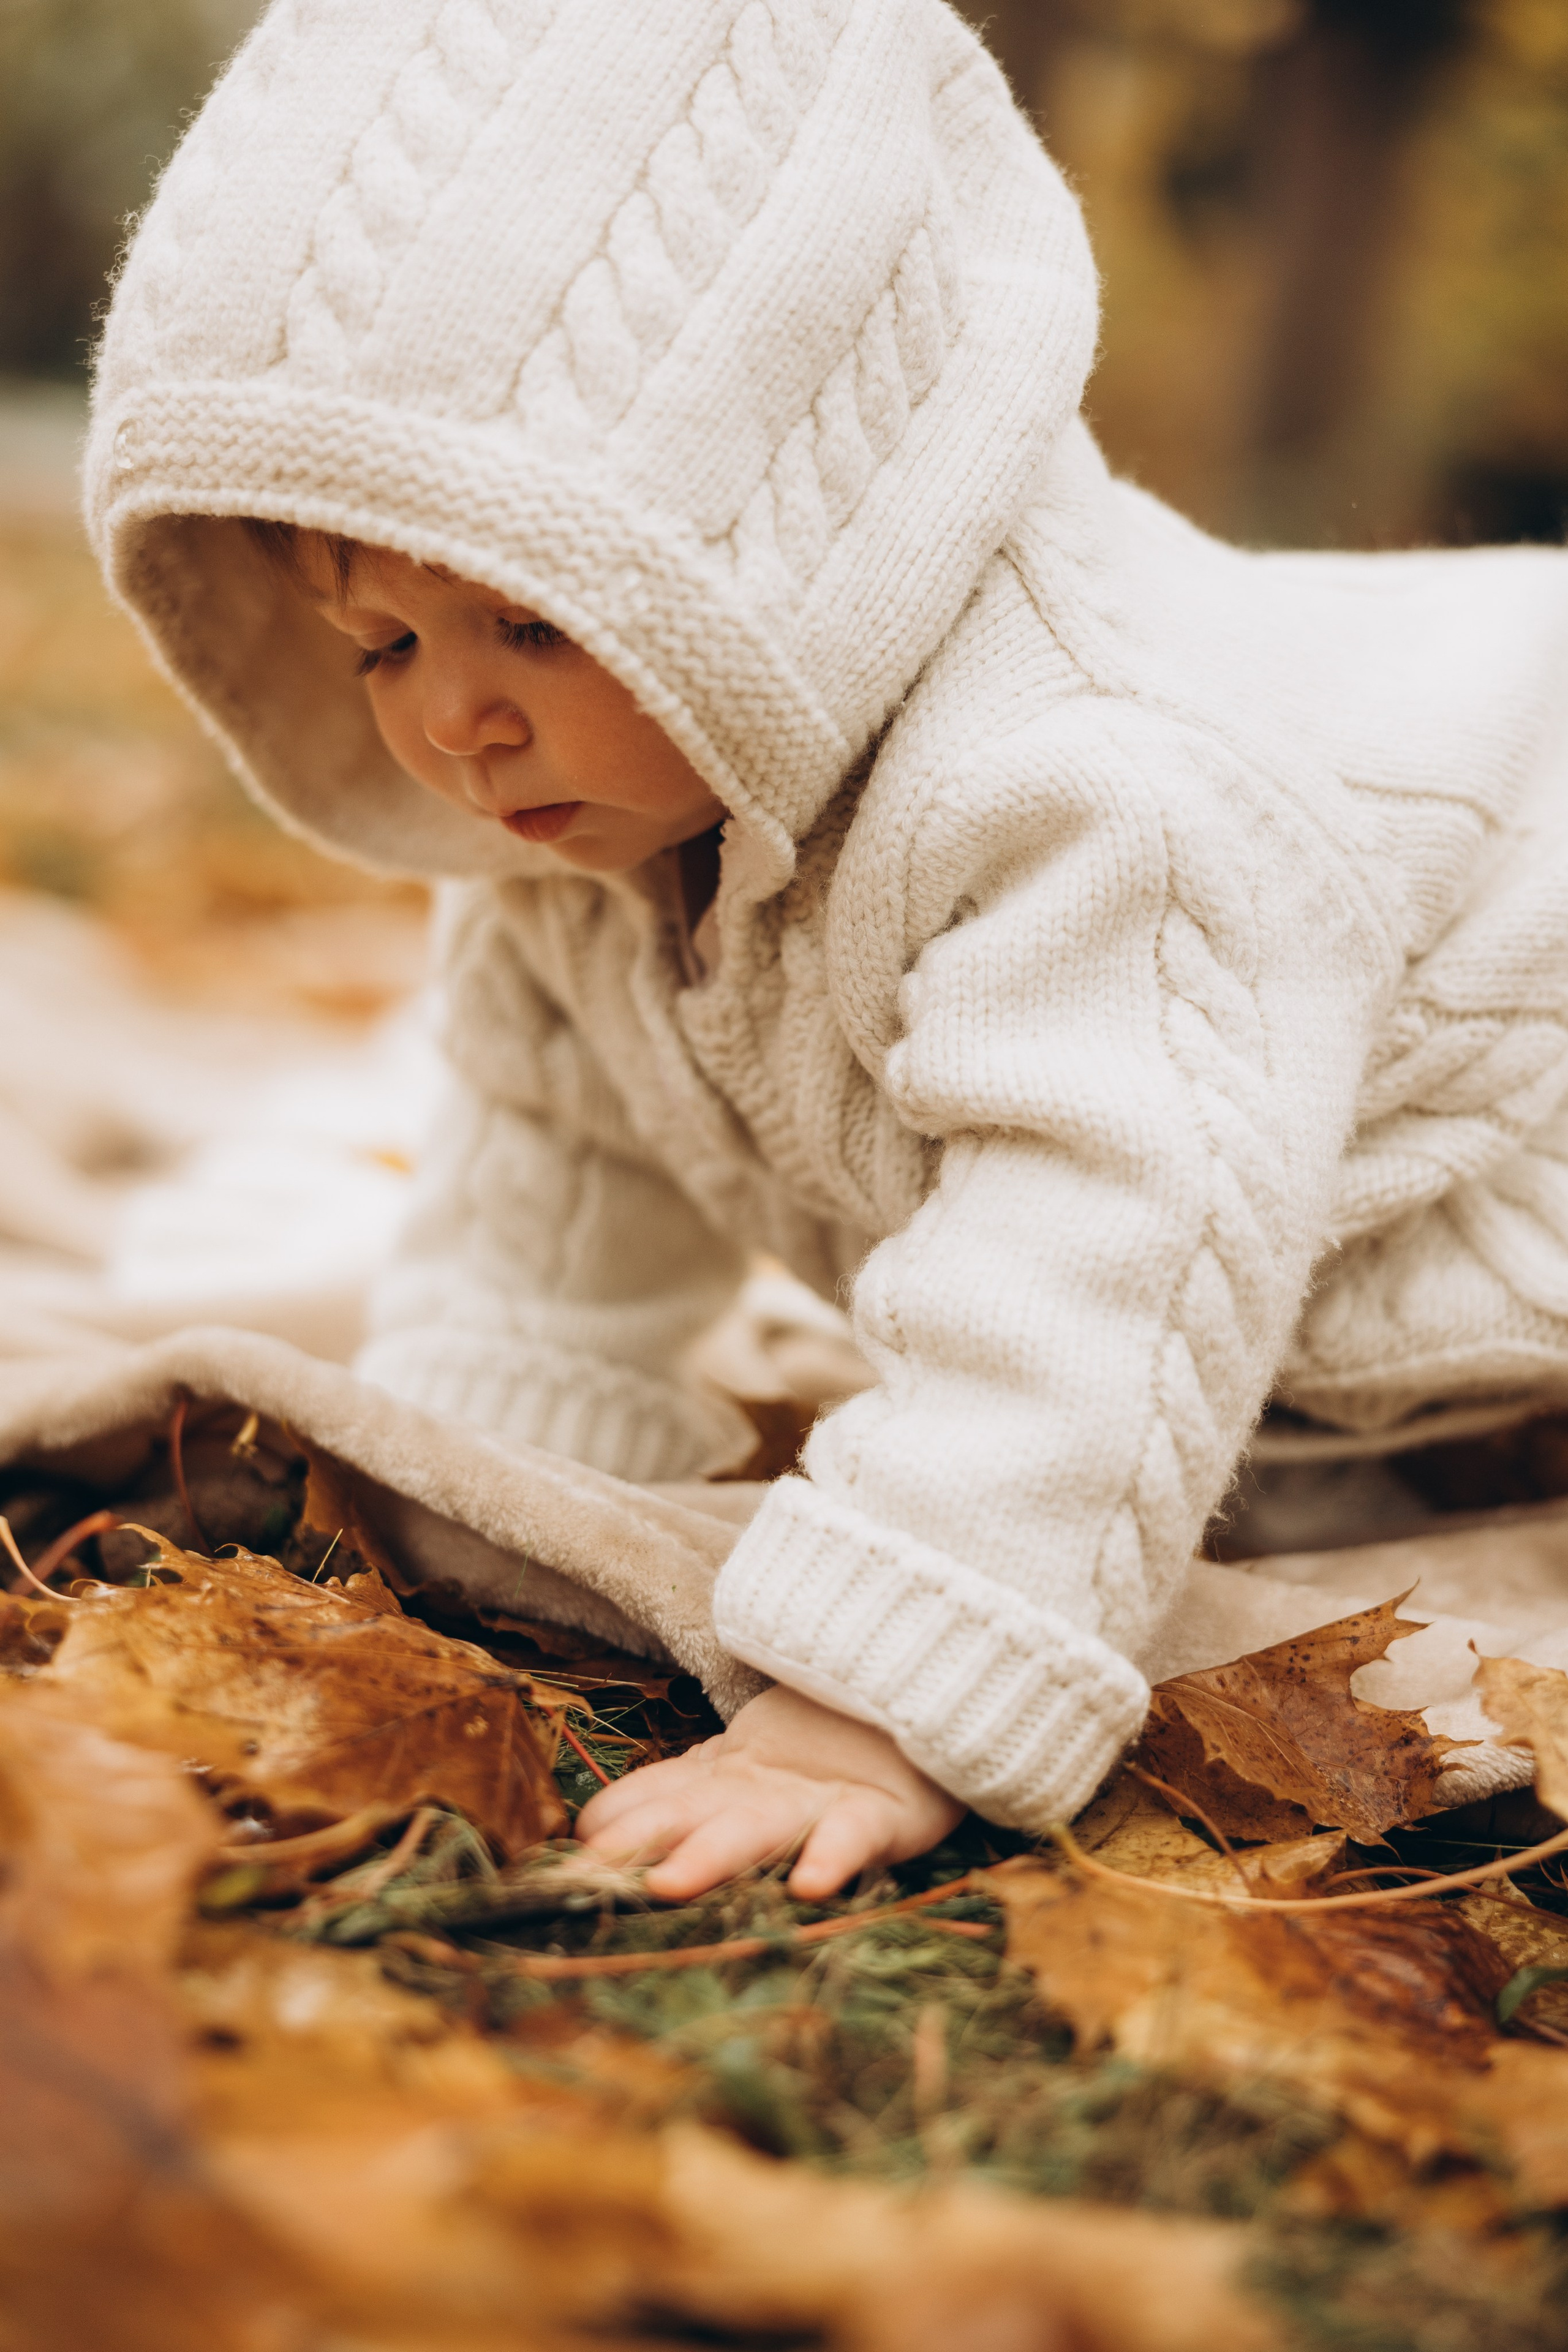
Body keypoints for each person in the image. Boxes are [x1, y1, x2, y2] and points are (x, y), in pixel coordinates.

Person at [87, 0, 1568, 1900]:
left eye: (528, 623)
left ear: (772, 550)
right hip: (1318, 1271)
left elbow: (1097, 1253)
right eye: (384, 646)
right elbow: (545, 1197)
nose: (455, 718)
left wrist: (885, 1683)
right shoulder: (580, 838)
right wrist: (471, 1500)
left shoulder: (1097, 793)